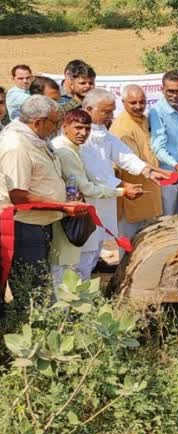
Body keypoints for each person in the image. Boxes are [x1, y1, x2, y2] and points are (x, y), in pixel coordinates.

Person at [0, 96, 85, 316]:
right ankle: (28, 337)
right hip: (24, 227)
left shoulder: (34, 138)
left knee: (39, 285)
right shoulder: (16, 145)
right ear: (38, 122)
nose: (58, 127)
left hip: (41, 224)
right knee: (31, 289)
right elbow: (18, 196)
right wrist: (61, 205)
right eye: (55, 123)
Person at [78, 89, 169, 278]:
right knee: (84, 252)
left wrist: (146, 171)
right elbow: (95, 173)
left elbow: (124, 155)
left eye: (111, 111)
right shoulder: (80, 134)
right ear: (88, 109)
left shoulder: (100, 130)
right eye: (106, 112)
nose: (110, 116)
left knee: (96, 248)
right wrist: (122, 186)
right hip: (89, 197)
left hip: (106, 196)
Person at [50, 109, 143, 284]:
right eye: (78, 128)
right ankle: (70, 308)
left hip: (69, 210)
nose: (83, 133)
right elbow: (87, 189)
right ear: (65, 127)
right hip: (66, 214)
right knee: (70, 266)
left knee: (73, 263)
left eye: (87, 128)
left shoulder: (71, 147)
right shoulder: (65, 151)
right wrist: (121, 191)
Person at [110, 84, 163, 239]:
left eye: (142, 102)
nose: (138, 106)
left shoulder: (144, 120)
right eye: (133, 103)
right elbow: (134, 162)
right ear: (123, 102)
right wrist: (164, 172)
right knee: (129, 244)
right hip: (133, 196)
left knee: (149, 242)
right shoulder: (122, 128)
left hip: (150, 192)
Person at [149, 71, 178, 216]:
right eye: (170, 91)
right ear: (162, 89)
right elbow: (157, 147)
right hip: (168, 172)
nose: (175, 96)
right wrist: (175, 165)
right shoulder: (156, 112)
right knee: (168, 214)